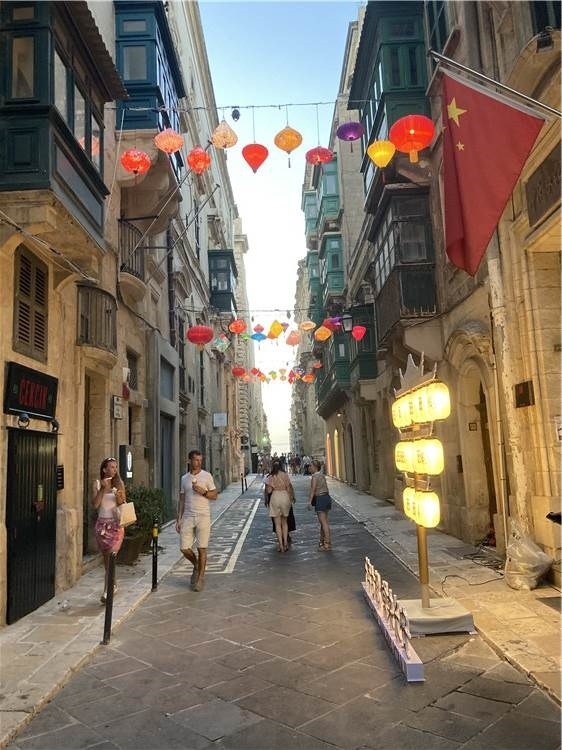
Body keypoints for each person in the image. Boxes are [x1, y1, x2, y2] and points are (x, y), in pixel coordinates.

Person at [176, 449, 218, 592]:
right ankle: (196, 564)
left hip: (203, 516)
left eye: (200, 460)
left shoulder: (207, 476)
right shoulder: (184, 478)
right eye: (196, 460)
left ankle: (200, 579)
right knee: (184, 548)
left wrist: (204, 492)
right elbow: (182, 499)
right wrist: (178, 518)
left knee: (202, 548)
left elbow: (215, 495)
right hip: (188, 516)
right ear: (189, 461)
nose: (199, 463)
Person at [92, 457, 126, 604]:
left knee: (112, 556)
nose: (114, 469)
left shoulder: (119, 483)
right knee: (107, 561)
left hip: (116, 526)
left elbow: (123, 503)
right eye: (111, 467)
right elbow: (95, 504)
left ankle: (107, 591)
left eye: (116, 467)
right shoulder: (97, 483)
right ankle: (114, 584)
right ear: (104, 469)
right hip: (102, 527)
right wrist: (102, 489)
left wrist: (118, 495)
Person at [265, 460, 294, 552]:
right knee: (285, 523)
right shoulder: (285, 475)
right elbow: (289, 488)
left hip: (275, 497)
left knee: (277, 524)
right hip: (285, 496)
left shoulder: (271, 476)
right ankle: (285, 544)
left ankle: (280, 545)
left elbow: (269, 491)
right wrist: (290, 499)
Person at [309, 459, 332, 550]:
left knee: (324, 523)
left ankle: (327, 544)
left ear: (315, 467)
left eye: (310, 466)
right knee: (324, 522)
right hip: (326, 497)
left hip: (320, 498)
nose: (309, 468)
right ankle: (322, 541)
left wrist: (309, 502)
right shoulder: (322, 475)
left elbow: (313, 489)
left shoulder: (314, 476)